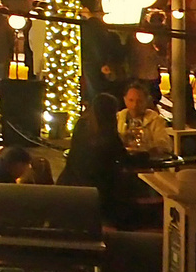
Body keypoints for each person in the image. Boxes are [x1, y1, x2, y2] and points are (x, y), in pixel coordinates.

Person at [60, 92, 153, 229]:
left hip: (72, 181)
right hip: (101, 191)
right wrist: (146, 155)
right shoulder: (107, 131)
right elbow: (124, 159)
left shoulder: (82, 125)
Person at [118, 79, 174, 157]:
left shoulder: (155, 119)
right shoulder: (119, 118)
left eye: (139, 101)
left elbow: (165, 145)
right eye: (131, 100)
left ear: (146, 101)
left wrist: (146, 145)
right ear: (125, 100)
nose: (135, 105)